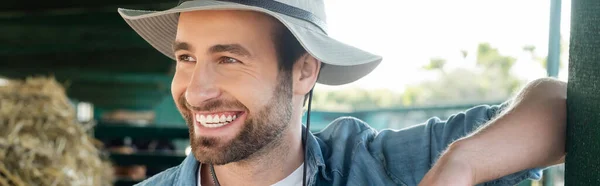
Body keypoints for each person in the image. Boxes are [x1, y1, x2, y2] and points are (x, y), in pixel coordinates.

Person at [117, 0, 567, 185]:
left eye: (229, 59)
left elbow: (561, 106)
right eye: (186, 58)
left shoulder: (377, 166)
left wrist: (461, 164)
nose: (196, 91)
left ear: (303, 71)